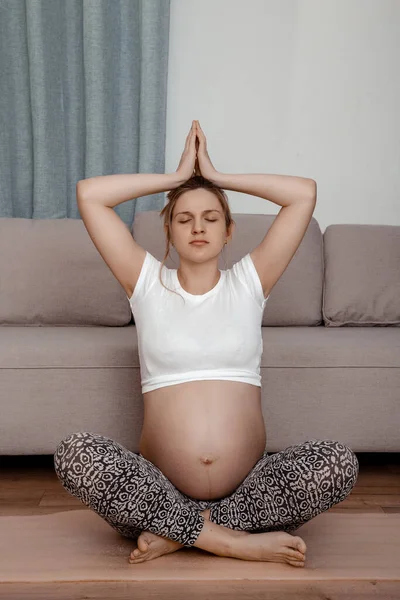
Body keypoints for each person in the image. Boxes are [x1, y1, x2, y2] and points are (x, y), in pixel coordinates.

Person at [54, 121, 359, 566]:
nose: (198, 227)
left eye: (211, 217)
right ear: (171, 233)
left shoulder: (250, 283)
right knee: (76, 454)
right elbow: (90, 196)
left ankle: (183, 531)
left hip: (250, 493)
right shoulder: (147, 283)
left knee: (338, 461)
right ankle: (230, 539)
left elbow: (303, 194)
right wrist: (178, 178)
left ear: (228, 231)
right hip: (155, 492)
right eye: (184, 218)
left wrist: (215, 177)